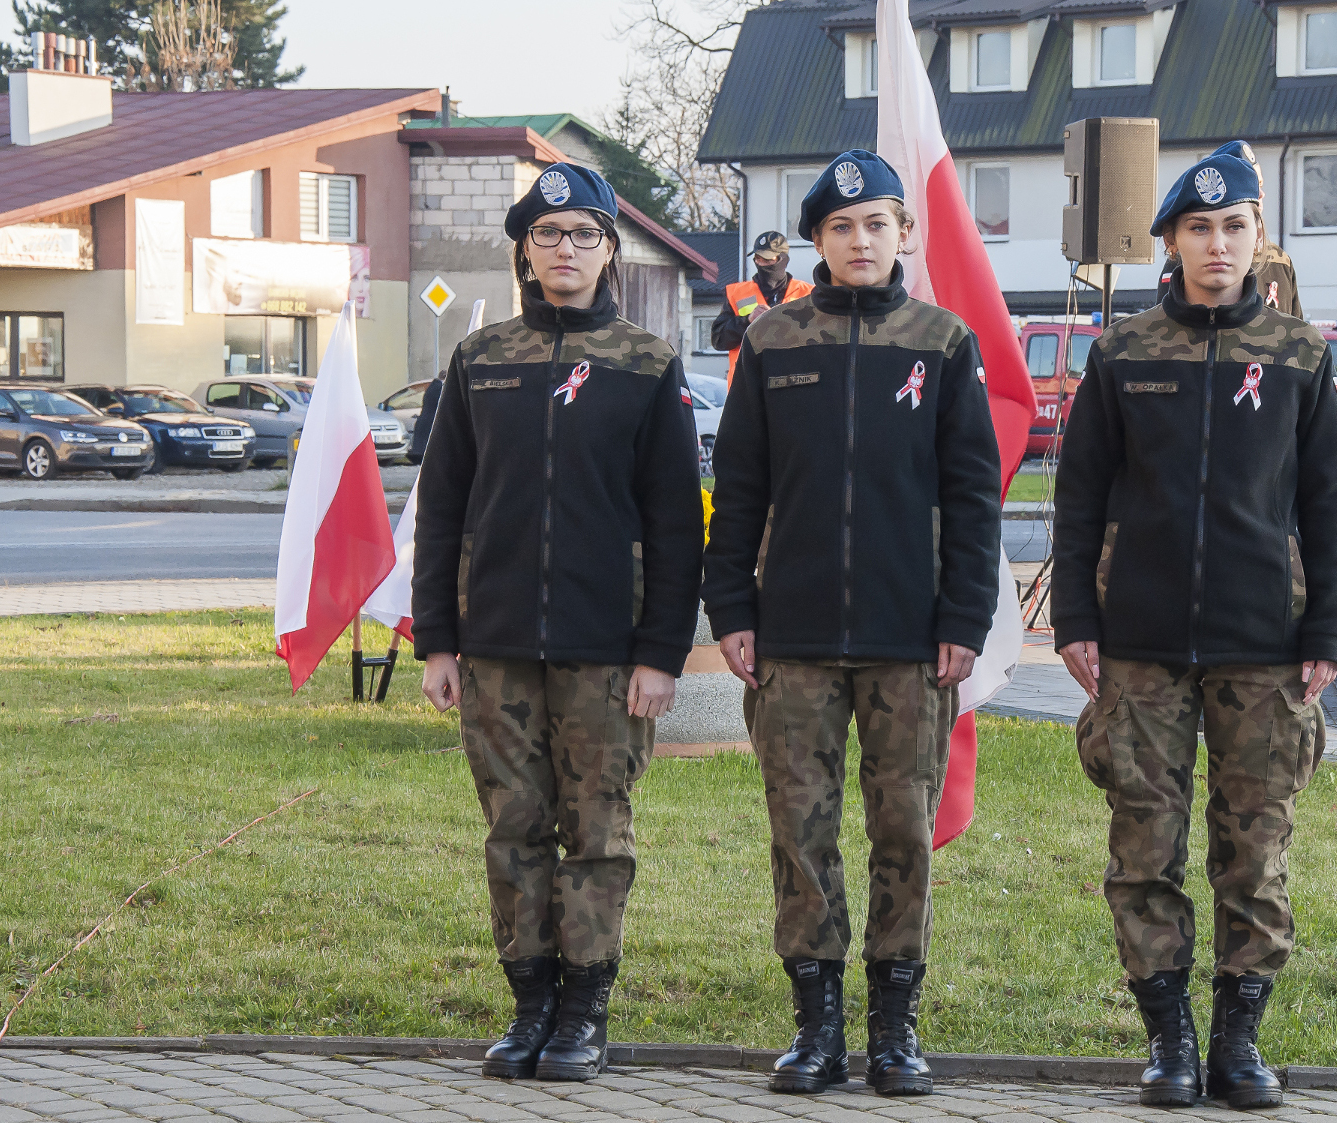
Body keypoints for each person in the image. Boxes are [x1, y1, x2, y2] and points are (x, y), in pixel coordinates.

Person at [1052, 145, 1337, 1110]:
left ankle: (1237, 1038)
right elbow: (1079, 495)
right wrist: (1075, 617)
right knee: (1143, 850)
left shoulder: (1299, 355)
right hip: (1138, 646)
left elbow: (1333, 502)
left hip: (1265, 645)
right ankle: (1168, 1041)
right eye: (1199, 228)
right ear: (1172, 242)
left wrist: (1328, 631)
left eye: (1233, 226)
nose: (1217, 244)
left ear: (1258, 235)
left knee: (1253, 853)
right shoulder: (1124, 352)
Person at [703, 149, 1003, 1099]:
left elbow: (972, 495)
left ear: (903, 233)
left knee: (901, 830)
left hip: (909, 637)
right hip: (790, 637)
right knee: (800, 831)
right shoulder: (772, 340)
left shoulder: (942, 342)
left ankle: (894, 1025)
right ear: (817, 242)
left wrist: (965, 616)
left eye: (876, 223)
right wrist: (730, 607)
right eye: (840, 227)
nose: (860, 240)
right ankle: (817, 1024)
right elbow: (737, 486)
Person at [411, 163, 705, 1084]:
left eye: (583, 233)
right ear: (525, 251)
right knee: (513, 826)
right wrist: (436, 638)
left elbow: (675, 520)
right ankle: (529, 1001)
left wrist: (661, 652)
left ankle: (583, 1008)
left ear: (609, 250)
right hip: (494, 643)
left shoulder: (646, 363)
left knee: (597, 830)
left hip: (606, 649)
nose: (565, 248)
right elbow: (441, 507)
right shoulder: (479, 360)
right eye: (548, 234)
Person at [1157, 140, 1303, 318]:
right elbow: (1166, 319)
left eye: (1260, 184)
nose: (1260, 194)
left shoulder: (1280, 260)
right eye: (1251, 185)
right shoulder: (1190, 257)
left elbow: (1295, 323)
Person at [711, 231, 815, 386]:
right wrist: (747, 321)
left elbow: (821, 339)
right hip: (747, 386)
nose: (762, 264)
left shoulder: (808, 294)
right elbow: (718, 340)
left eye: (767, 259)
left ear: (783, 259)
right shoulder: (736, 293)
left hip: (795, 385)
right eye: (758, 259)